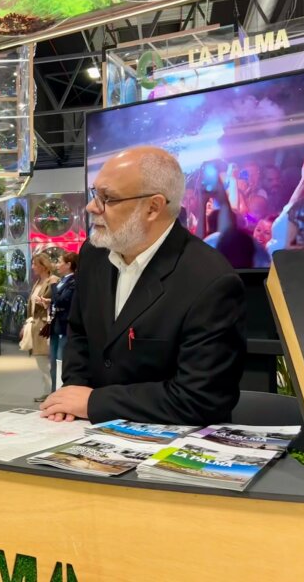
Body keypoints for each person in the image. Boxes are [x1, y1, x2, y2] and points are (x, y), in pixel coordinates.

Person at [41, 146, 245, 425]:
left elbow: (201, 398)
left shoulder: (209, 280)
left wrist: (93, 402)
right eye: (94, 194)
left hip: (168, 445)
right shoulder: (94, 253)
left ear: (153, 207)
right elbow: (80, 331)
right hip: (87, 435)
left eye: (107, 198)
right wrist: (72, 392)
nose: (91, 207)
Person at [29, 253, 59, 402]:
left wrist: (45, 301)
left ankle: (52, 391)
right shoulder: (37, 283)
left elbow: (57, 300)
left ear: (43, 265)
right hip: (35, 325)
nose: (33, 267)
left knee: (45, 359)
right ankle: (48, 390)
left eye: (35, 264)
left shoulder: (52, 281)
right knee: (40, 359)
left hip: (45, 325)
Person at [47, 252, 78, 394]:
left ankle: (61, 392)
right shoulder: (62, 281)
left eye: (59, 262)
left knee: (61, 361)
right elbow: (56, 300)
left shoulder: (74, 281)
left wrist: (53, 286)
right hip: (56, 326)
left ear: (68, 265)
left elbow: (61, 300)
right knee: (53, 362)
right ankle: (54, 391)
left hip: (65, 328)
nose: (57, 265)